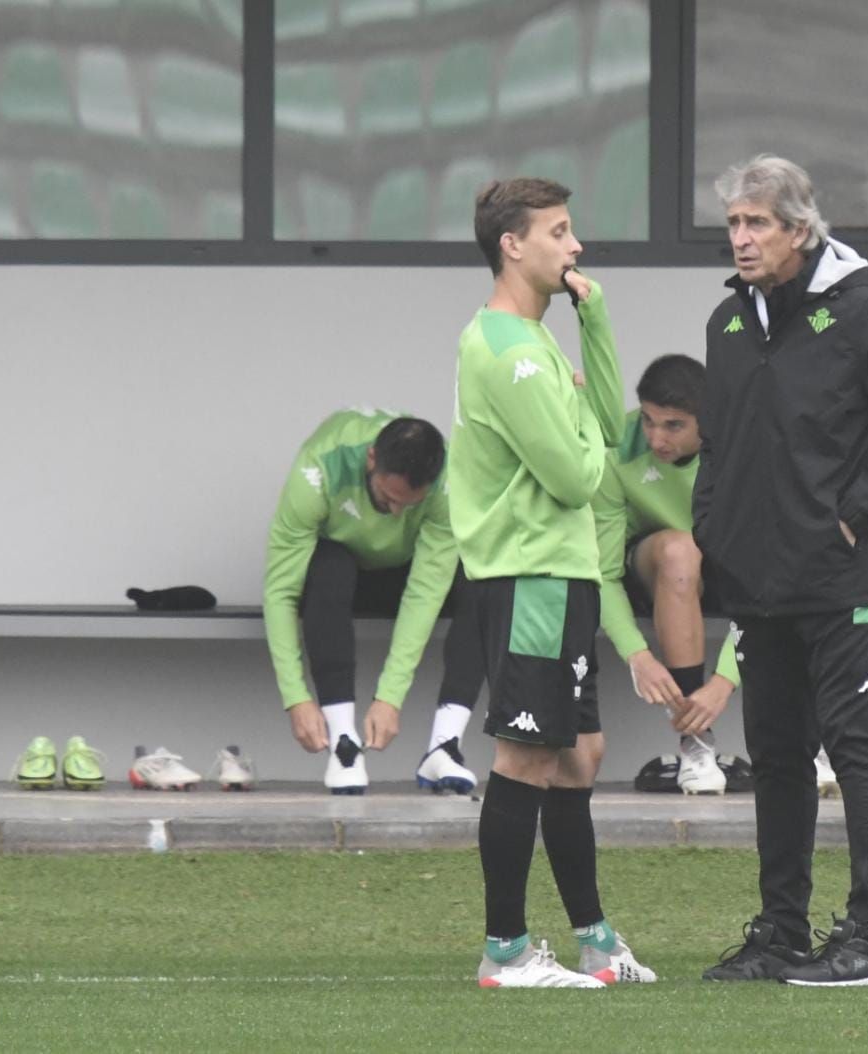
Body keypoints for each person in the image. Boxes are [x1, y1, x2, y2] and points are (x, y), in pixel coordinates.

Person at [693, 156, 868, 986]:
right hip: (760, 586)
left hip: (845, 582)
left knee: (856, 750)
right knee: (774, 761)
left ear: (799, 232)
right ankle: (781, 935)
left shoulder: (867, 313)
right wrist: (713, 528)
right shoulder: (725, 325)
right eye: (733, 223)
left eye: (756, 224)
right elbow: (721, 446)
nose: (740, 239)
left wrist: (850, 517)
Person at [452, 177, 654, 988]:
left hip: (565, 571)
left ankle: (595, 940)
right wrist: (581, 431)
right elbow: (577, 476)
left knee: (578, 758)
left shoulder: (542, 340)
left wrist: (594, 318)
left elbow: (607, 426)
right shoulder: (505, 350)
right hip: (531, 571)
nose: (576, 248)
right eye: (561, 232)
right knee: (528, 756)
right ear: (514, 244)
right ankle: (504, 951)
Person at [263, 409, 482, 796]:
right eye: (388, 497)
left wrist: (389, 698)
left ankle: (445, 745)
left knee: (482, 582)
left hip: (405, 572)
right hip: (344, 573)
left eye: (409, 504)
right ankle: (344, 742)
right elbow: (281, 591)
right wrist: (295, 698)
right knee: (330, 567)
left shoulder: (451, 482)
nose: (396, 512)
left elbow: (424, 592)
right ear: (371, 460)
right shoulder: (318, 468)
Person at [593, 354, 741, 794]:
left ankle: (815, 748)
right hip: (656, 570)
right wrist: (637, 656)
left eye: (673, 425)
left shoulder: (743, 447)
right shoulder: (616, 449)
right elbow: (602, 573)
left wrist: (725, 681)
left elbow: (778, 578)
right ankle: (694, 743)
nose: (656, 437)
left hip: (735, 572)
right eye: (649, 421)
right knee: (680, 550)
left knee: (815, 582)